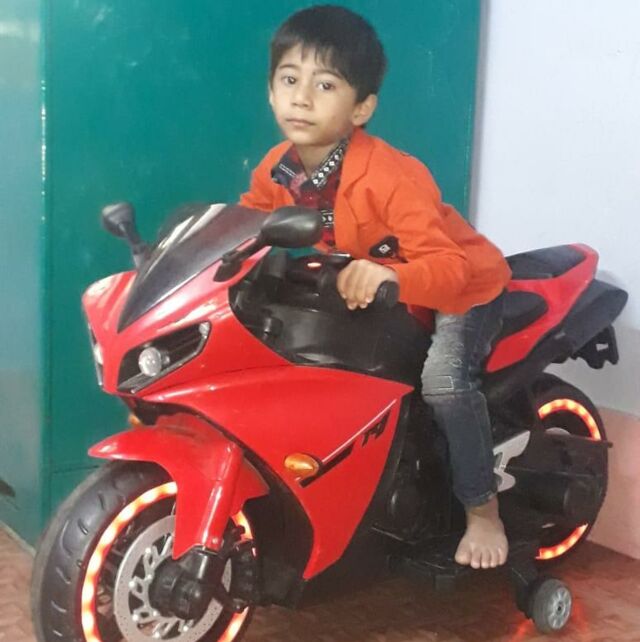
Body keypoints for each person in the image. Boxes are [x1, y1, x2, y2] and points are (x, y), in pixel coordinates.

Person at [240, 5, 512, 570]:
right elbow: (248, 223)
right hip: (382, 290)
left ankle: (483, 511)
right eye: (289, 80)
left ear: (361, 107)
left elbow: (448, 267)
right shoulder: (277, 169)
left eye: (325, 85)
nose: (301, 98)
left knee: (443, 383)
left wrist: (393, 275)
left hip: (461, 287)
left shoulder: (392, 175)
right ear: (270, 91)